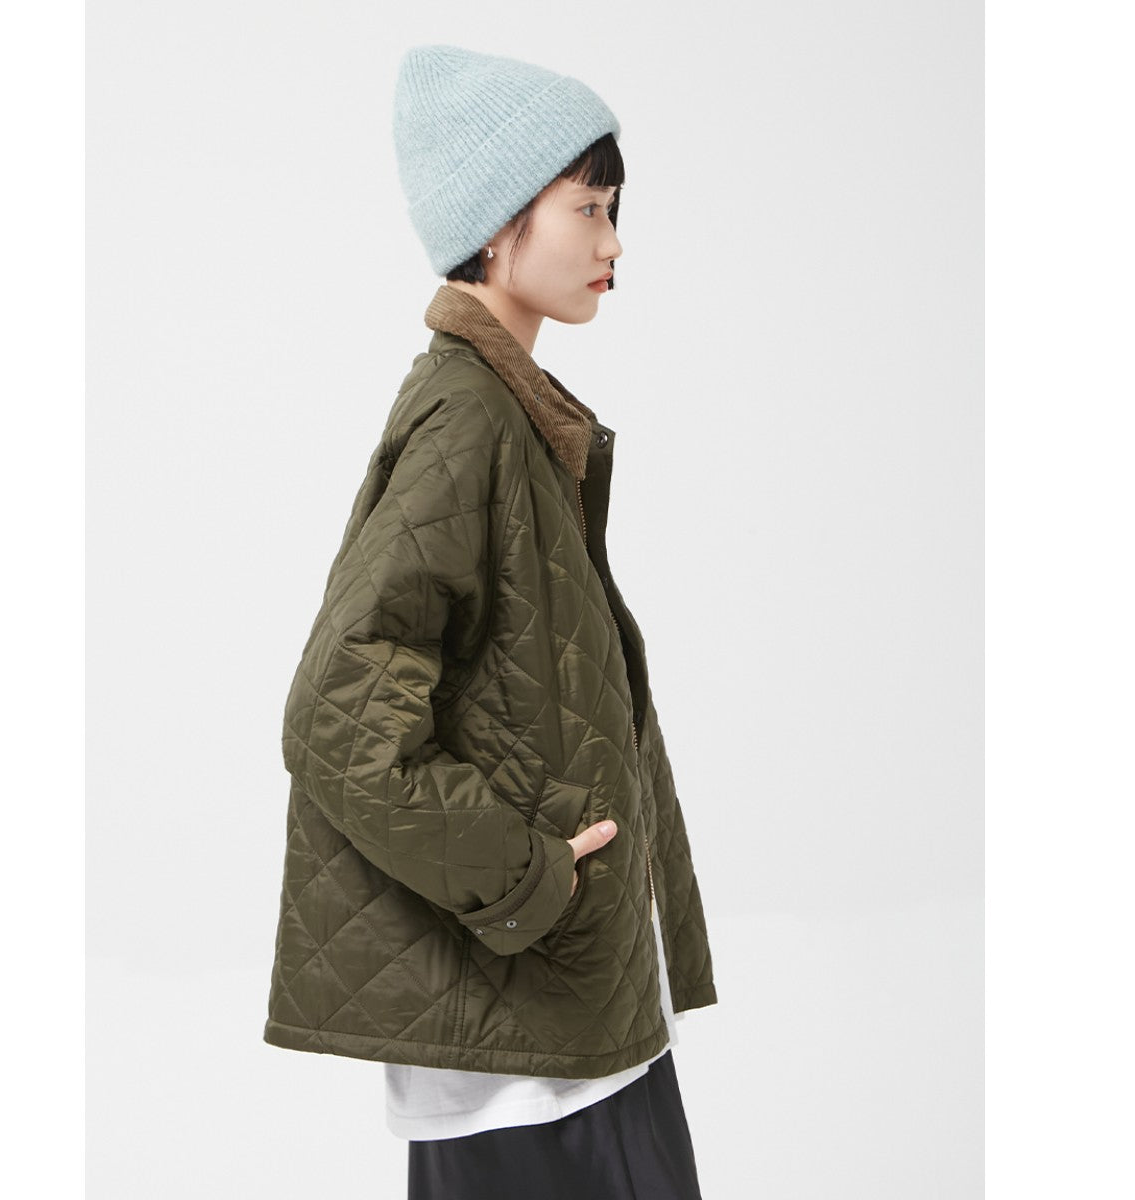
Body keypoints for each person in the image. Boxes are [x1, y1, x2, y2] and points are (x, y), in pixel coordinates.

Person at [263, 44, 719, 1198]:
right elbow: (334, 717)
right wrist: (527, 877)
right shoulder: (470, 421)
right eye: (590, 208)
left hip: (562, 1025)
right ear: (499, 222)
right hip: (528, 1048)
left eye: (614, 210)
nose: (615, 242)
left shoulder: (512, 415)